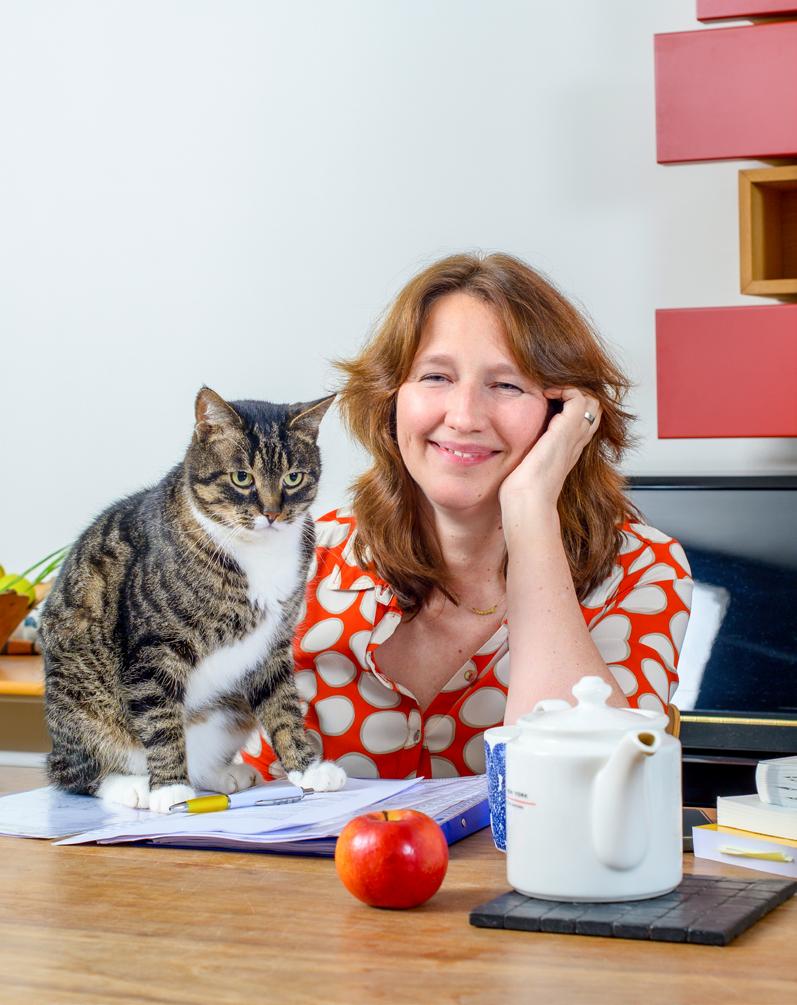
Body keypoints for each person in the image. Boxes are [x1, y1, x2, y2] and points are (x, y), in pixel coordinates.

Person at [244, 252, 692, 781]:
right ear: (390, 398)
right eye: (436, 376)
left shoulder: (641, 569)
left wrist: (531, 510)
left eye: (507, 385)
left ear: (565, 416)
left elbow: (587, 794)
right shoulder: (294, 559)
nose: (463, 417)